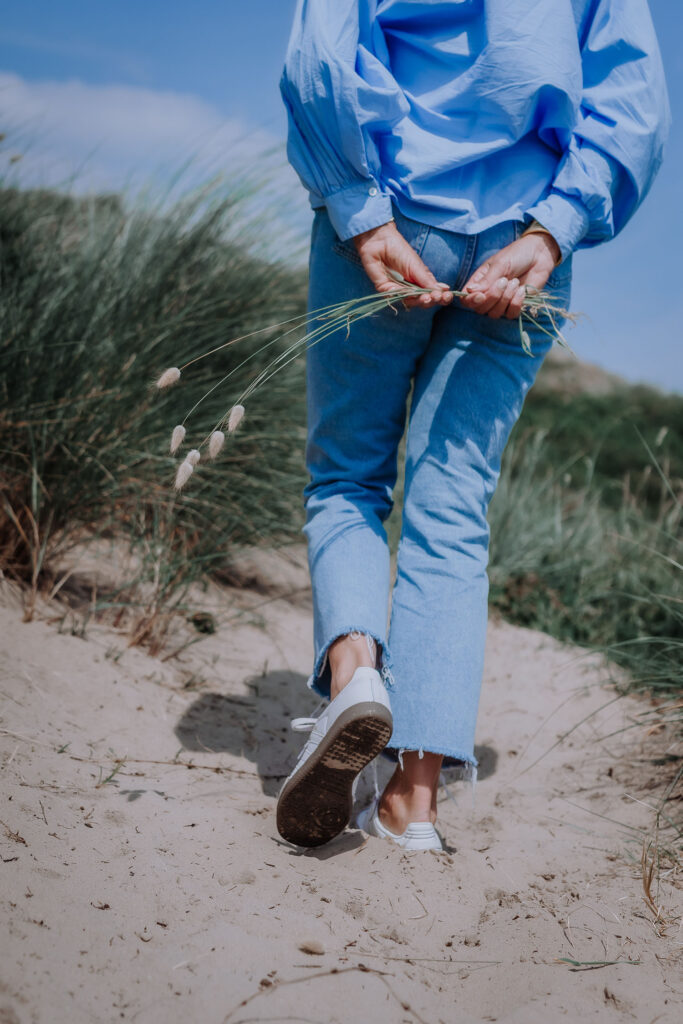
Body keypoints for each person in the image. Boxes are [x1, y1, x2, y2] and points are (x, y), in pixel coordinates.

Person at [275, 0, 669, 851]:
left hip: (395, 203)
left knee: (347, 476)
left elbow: (319, 58)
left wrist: (359, 207)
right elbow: (631, 103)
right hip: (520, 236)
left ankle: (355, 676)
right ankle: (412, 807)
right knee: (451, 508)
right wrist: (554, 230)